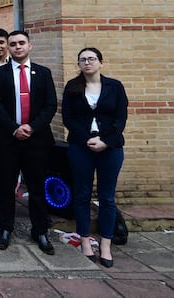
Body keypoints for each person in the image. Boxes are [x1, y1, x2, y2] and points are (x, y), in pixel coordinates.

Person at [0, 30, 58, 255]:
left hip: (36, 139)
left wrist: (31, 127)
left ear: (30, 45)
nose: (17, 47)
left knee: (37, 186)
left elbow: (50, 105)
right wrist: (14, 128)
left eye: (21, 43)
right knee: (5, 186)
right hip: (7, 139)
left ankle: (40, 230)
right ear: (8, 48)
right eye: (13, 44)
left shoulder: (43, 73)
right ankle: (5, 228)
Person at [62, 47, 127, 268]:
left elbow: (121, 118)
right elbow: (68, 118)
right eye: (83, 60)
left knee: (107, 197)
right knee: (82, 194)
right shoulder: (73, 86)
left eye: (91, 59)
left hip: (110, 148)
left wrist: (105, 141)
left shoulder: (115, 87)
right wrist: (86, 140)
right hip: (81, 146)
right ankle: (85, 240)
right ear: (79, 64)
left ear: (101, 62)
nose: (87, 63)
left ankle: (106, 244)